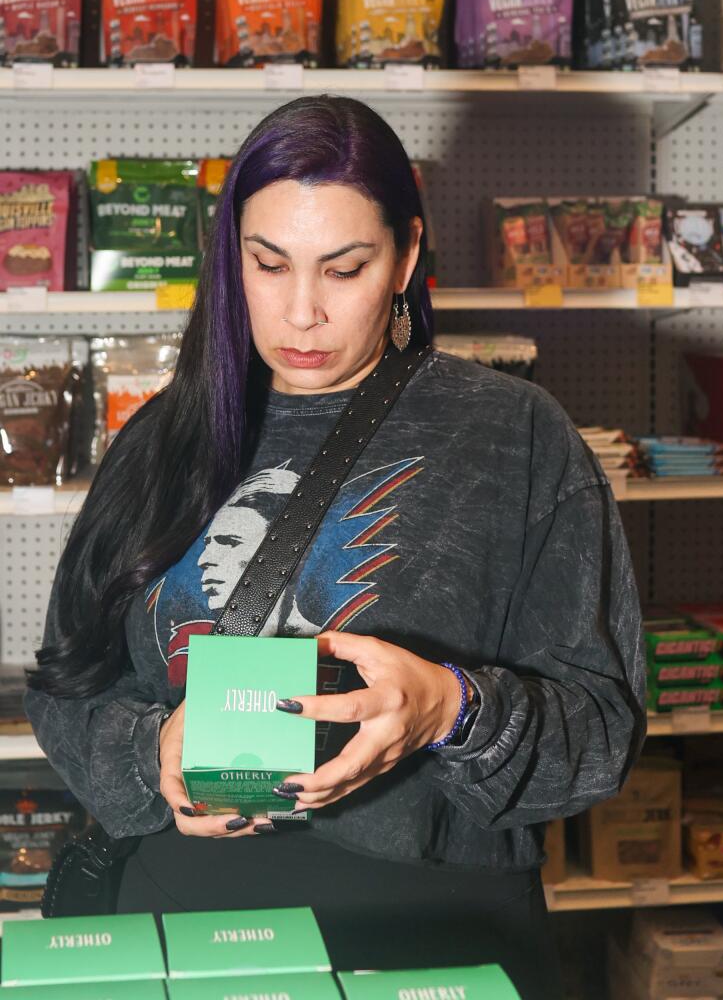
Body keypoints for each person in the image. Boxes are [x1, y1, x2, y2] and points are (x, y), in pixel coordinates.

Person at [25, 95, 645, 1000]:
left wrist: (456, 710)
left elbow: (602, 734)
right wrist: (146, 755)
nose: (302, 313)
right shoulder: (165, 435)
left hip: (431, 928)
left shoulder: (515, 437)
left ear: (406, 258)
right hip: (183, 918)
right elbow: (66, 684)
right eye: (268, 264)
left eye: (345, 268)